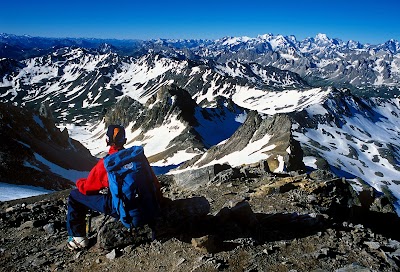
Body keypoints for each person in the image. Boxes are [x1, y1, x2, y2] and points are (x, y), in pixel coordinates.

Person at [66, 124, 126, 250]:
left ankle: (78, 238)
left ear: (107, 140)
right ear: (124, 140)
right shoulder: (135, 156)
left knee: (75, 196)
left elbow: (88, 188)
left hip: (118, 206)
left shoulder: (107, 162)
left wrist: (79, 182)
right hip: (142, 201)